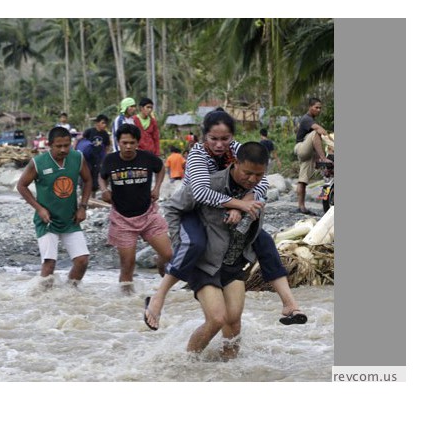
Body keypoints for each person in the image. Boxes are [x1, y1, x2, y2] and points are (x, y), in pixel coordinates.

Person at [144, 109, 307, 330]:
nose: (220, 145)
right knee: (195, 244)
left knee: (265, 242)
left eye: (225, 139)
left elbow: (260, 180)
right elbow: (200, 193)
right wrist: (239, 204)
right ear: (204, 137)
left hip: (223, 210)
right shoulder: (197, 154)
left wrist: (246, 200)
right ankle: (158, 297)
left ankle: (289, 304)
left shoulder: (238, 150)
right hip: (193, 210)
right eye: (214, 139)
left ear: (232, 136)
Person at [164, 142, 269, 356]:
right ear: (235, 163)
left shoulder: (257, 190)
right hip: (204, 262)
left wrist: (244, 202)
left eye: (258, 175)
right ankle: (187, 365)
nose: (252, 179)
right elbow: (172, 207)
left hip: (231, 262)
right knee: (216, 319)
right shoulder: (207, 184)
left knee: (234, 321)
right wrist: (179, 242)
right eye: (247, 173)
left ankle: (228, 371)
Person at [98, 123, 173, 297]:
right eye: (124, 142)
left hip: (148, 215)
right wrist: (104, 190)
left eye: (132, 142)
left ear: (137, 143)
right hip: (122, 219)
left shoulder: (147, 158)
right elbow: (102, 177)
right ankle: (126, 300)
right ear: (118, 142)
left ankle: (162, 275)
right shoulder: (110, 160)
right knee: (128, 264)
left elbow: (160, 168)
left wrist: (157, 188)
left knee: (168, 254)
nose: (128, 146)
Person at [16, 126, 92, 288]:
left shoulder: (78, 157)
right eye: (59, 146)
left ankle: (69, 293)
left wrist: (83, 206)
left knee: (82, 260)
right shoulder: (38, 163)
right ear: (49, 144)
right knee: (49, 264)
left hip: (70, 218)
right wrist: (39, 208)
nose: (64, 149)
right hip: (47, 221)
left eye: (67, 145)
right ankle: (42, 301)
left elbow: (88, 180)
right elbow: (22, 186)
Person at [294, 97, 331, 215]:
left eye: (320, 108)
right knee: (316, 133)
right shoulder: (306, 119)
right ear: (310, 107)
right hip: (300, 148)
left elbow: (314, 143)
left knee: (302, 181)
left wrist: (317, 159)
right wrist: (330, 139)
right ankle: (324, 158)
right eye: (316, 107)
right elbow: (319, 130)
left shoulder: (311, 119)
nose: (319, 110)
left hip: (308, 153)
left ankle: (301, 207)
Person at [78, 114, 111, 195]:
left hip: (98, 159)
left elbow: (107, 146)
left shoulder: (105, 134)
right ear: (97, 123)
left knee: (95, 176)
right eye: (103, 123)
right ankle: (83, 194)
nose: (104, 125)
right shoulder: (90, 131)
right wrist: (75, 150)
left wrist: (105, 157)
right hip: (88, 158)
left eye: (105, 123)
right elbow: (79, 139)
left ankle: (93, 196)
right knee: (86, 175)